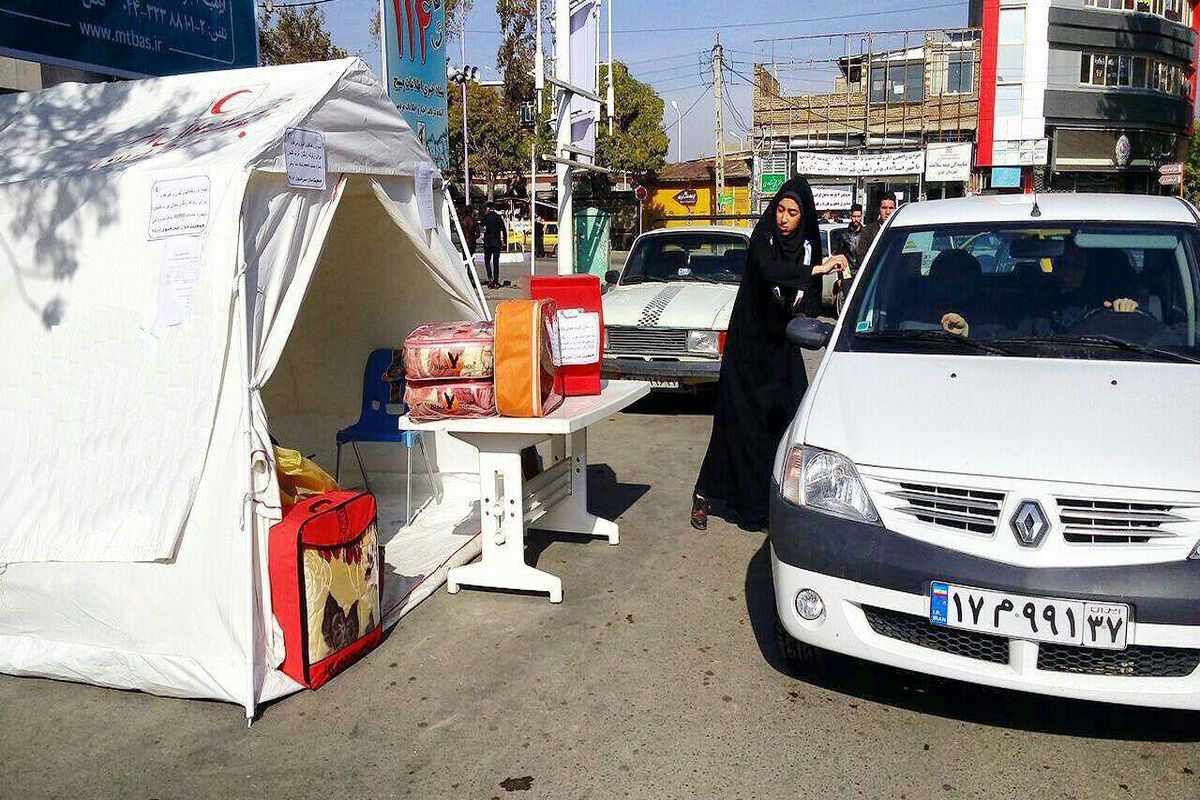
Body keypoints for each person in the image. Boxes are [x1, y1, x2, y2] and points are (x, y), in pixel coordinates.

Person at [691, 177, 849, 532]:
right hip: (748, 348)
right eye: (780, 209)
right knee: (737, 423)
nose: (784, 218)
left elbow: (807, 299)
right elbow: (769, 271)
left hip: (781, 349)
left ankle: (778, 503)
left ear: (803, 216)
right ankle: (706, 494)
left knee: (788, 421)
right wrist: (815, 271)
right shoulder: (763, 237)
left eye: (793, 213)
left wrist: (807, 307)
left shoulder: (808, 247)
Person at [854, 192, 897, 266]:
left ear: (895, 209)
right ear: (879, 209)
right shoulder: (868, 231)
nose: (887, 212)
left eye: (891, 208)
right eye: (884, 208)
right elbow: (861, 257)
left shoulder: (900, 229)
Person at [481, 203, 506, 289]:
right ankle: (496, 279)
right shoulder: (498, 217)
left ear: (488, 208)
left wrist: (483, 239)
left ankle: (490, 277)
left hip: (488, 243)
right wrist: (505, 241)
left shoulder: (485, 217)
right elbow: (504, 229)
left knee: (487, 260)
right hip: (496, 243)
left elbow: (482, 229)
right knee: (496, 262)